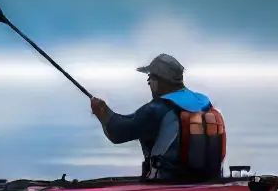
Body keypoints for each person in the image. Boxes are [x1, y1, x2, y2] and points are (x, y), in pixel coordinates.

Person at [89, 53, 226, 183]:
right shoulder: (203, 101)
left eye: (150, 77)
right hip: (208, 180)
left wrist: (103, 114)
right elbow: (133, 121)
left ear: (160, 80)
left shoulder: (157, 108)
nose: (149, 82)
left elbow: (118, 132)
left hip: (168, 184)